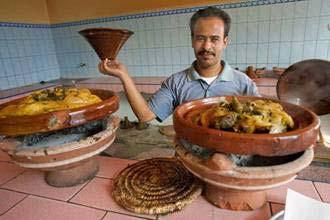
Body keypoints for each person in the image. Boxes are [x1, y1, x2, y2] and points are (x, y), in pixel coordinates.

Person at [99, 6, 259, 123]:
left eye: (214, 39)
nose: (206, 47)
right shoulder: (176, 83)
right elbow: (145, 115)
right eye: (200, 38)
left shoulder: (244, 84)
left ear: (225, 42)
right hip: (187, 160)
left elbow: (260, 122)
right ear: (192, 40)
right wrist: (124, 76)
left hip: (231, 165)